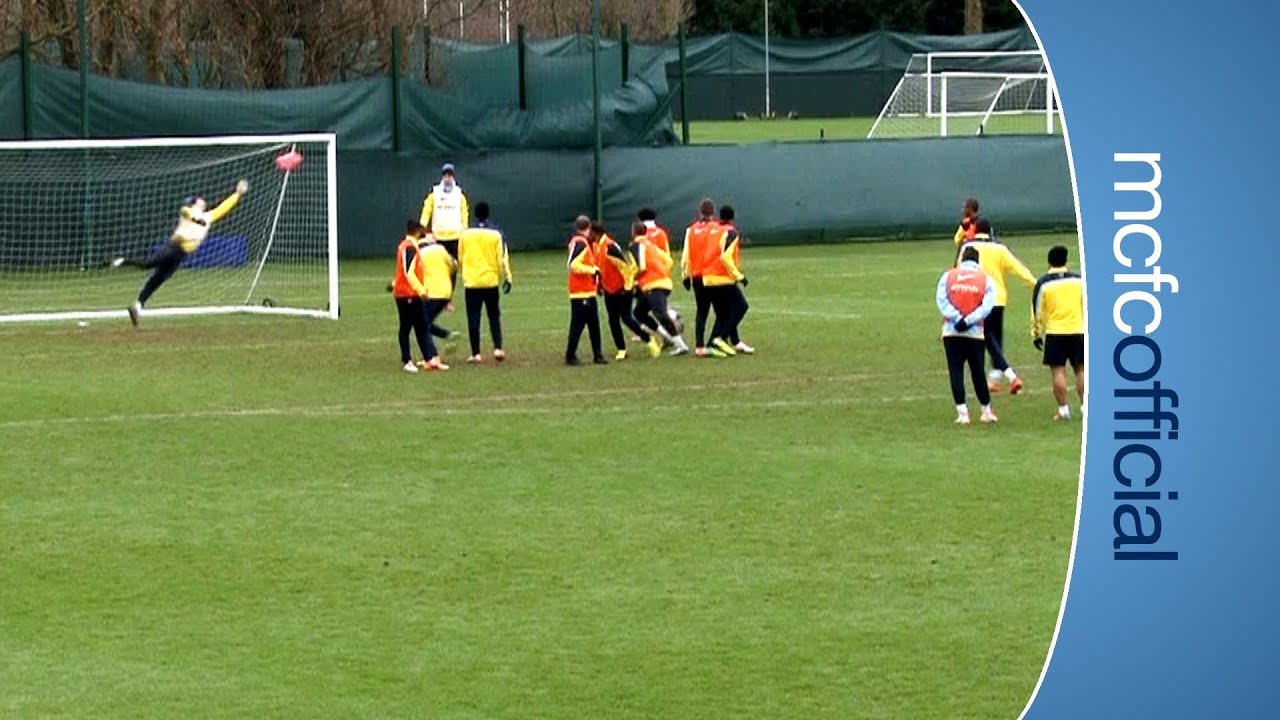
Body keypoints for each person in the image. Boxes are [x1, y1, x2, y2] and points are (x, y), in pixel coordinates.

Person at [118, 180, 248, 326]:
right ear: (194, 204)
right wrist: (195, 219)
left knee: (158, 279)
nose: (202, 201)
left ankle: (137, 306)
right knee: (148, 264)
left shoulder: (208, 216)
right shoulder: (188, 211)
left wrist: (237, 194)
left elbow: (223, 207)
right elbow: (186, 212)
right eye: (198, 200)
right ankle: (121, 261)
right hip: (173, 247)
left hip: (181, 254)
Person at [957, 217, 1036, 394]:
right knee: (996, 338)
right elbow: (1017, 267)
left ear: (976, 229)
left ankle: (1010, 376)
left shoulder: (968, 247)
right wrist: (1034, 283)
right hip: (998, 298)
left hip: (977, 297)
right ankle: (994, 379)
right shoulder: (999, 248)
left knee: (987, 338)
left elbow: (959, 272)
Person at [937, 246, 999, 425]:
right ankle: (986, 411)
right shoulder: (985, 279)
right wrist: (968, 320)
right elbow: (987, 307)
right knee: (978, 372)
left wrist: (957, 318)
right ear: (978, 261)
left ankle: (962, 413)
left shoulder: (948, 276)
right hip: (975, 333)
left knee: (955, 371)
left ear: (962, 258)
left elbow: (942, 300)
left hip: (951, 331)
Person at [1031, 245, 1085, 421]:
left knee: (1058, 372)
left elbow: (1037, 310)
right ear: (1065, 261)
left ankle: (1063, 409)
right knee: (1081, 370)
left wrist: (1036, 333)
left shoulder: (1044, 283)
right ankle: (1086, 407)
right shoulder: (1079, 280)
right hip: (1078, 330)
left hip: (1055, 333)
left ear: (1049, 262)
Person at [592, 221, 658, 360]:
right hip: (609, 289)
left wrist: (628, 288)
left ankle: (649, 339)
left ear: (595, 233)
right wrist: (599, 284)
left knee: (627, 318)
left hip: (622, 288)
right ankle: (621, 349)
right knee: (613, 320)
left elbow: (624, 267)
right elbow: (600, 268)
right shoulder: (596, 246)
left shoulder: (609, 247)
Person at [457, 201, 513, 364]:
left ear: (474, 215)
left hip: (472, 282)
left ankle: (476, 353)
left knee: (473, 317)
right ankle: (498, 348)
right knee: (494, 315)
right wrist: (507, 277)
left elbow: (460, 257)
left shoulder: (465, 234)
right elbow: (502, 258)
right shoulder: (495, 234)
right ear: (488, 214)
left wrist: (464, 273)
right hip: (490, 281)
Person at [629, 220, 690, 356]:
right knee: (639, 313)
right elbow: (668, 261)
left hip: (653, 284)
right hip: (663, 282)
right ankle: (668, 337)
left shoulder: (635, 245)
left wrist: (632, 279)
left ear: (633, 232)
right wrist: (660, 271)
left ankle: (680, 344)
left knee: (661, 314)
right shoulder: (650, 244)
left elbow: (641, 267)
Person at [390, 221, 442, 373]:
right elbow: (408, 272)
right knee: (406, 326)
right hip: (407, 294)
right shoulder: (409, 247)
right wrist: (421, 290)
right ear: (417, 231)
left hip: (411, 293)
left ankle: (428, 359)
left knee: (421, 326)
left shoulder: (408, 245)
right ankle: (407, 360)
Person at [702, 205, 754, 355]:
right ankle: (721, 338)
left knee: (723, 313)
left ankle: (714, 344)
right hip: (721, 278)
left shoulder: (713, 230)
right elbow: (725, 257)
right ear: (732, 218)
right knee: (741, 306)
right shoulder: (731, 232)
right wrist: (739, 276)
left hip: (708, 277)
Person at [419, 163, 469, 296]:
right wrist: (423, 230)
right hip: (438, 237)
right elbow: (426, 211)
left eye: (450, 175)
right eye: (445, 175)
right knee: (438, 267)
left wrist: (464, 231)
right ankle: (438, 294)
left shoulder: (460, 194)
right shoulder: (434, 193)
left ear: (453, 177)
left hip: (455, 237)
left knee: (453, 268)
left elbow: (464, 214)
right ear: (442, 177)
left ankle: (448, 297)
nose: (447, 178)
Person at [680, 199, 723, 357]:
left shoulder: (691, 230)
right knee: (721, 311)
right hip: (712, 275)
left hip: (697, 276)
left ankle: (699, 346)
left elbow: (686, 255)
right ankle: (714, 341)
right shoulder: (717, 228)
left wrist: (685, 275)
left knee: (701, 311)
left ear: (700, 212)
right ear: (713, 212)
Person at [565, 215, 606, 366]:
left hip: (588, 290)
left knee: (594, 324)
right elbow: (572, 264)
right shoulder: (580, 243)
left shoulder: (581, 242)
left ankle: (598, 354)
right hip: (580, 292)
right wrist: (592, 270)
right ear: (589, 227)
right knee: (578, 325)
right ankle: (570, 355)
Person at [414, 231, 456, 371]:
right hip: (445, 292)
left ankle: (433, 357)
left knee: (423, 325)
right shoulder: (440, 249)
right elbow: (453, 266)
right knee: (424, 322)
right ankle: (446, 336)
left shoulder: (419, 253)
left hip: (431, 293)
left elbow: (413, 273)